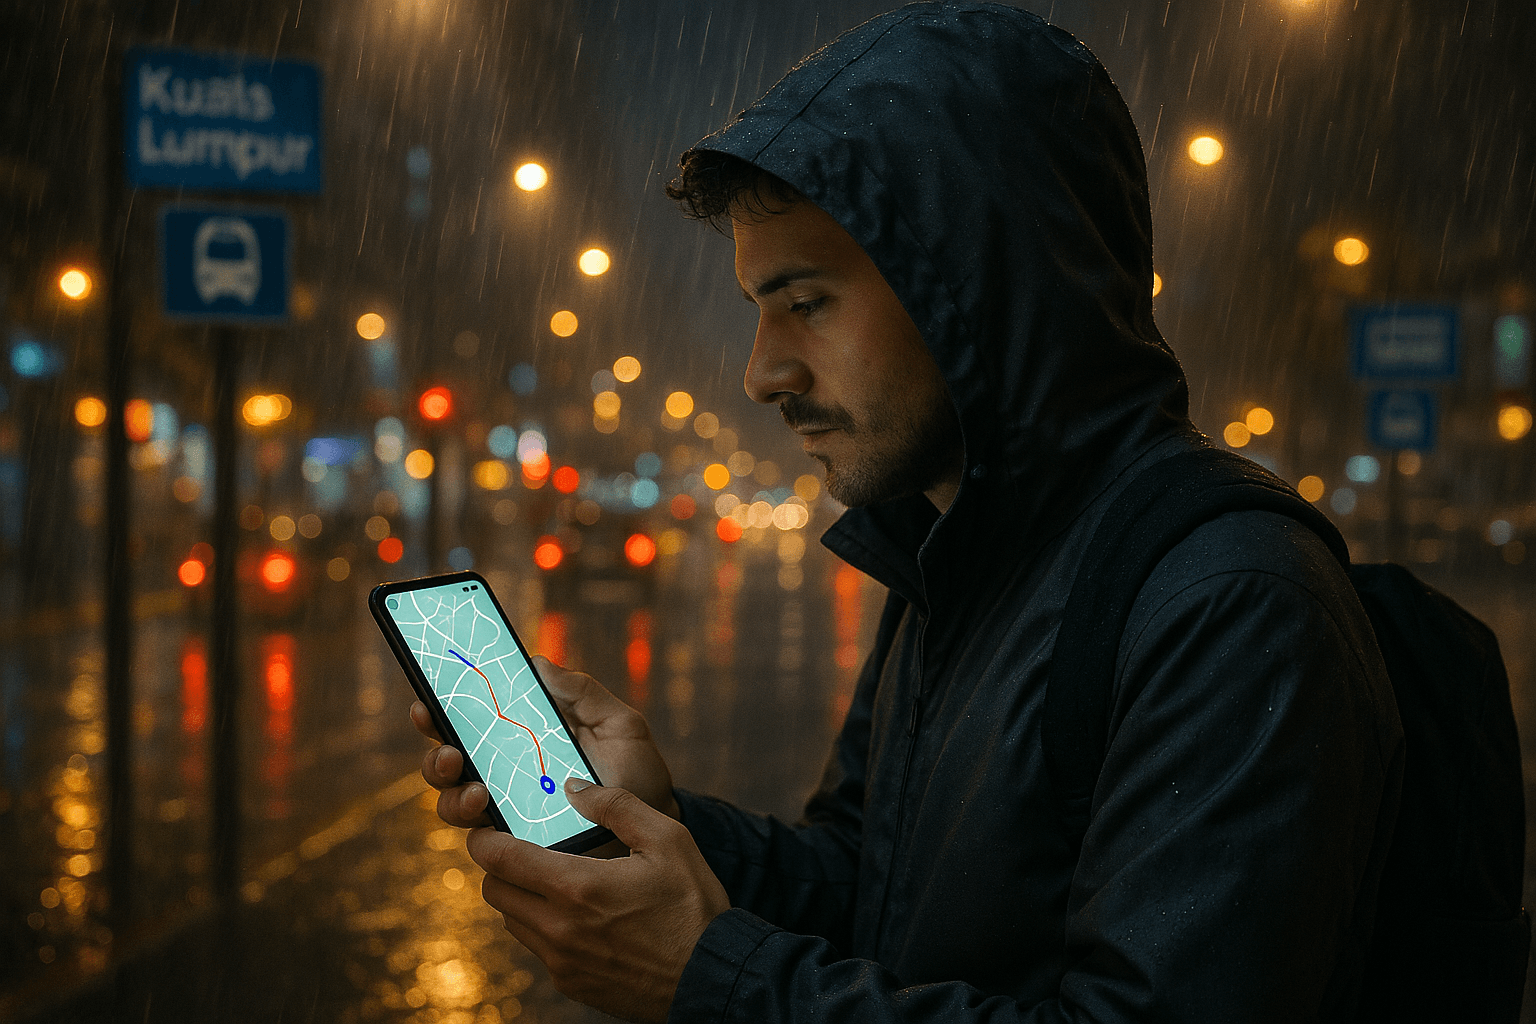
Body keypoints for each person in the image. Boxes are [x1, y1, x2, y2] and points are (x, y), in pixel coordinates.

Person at [412, 3, 1403, 1021]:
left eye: (808, 302)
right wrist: (651, 820)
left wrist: (706, 977)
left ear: (974, 285)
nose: (762, 372)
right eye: (758, 310)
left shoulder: (1230, 603)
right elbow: (873, 893)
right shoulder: (961, 554)